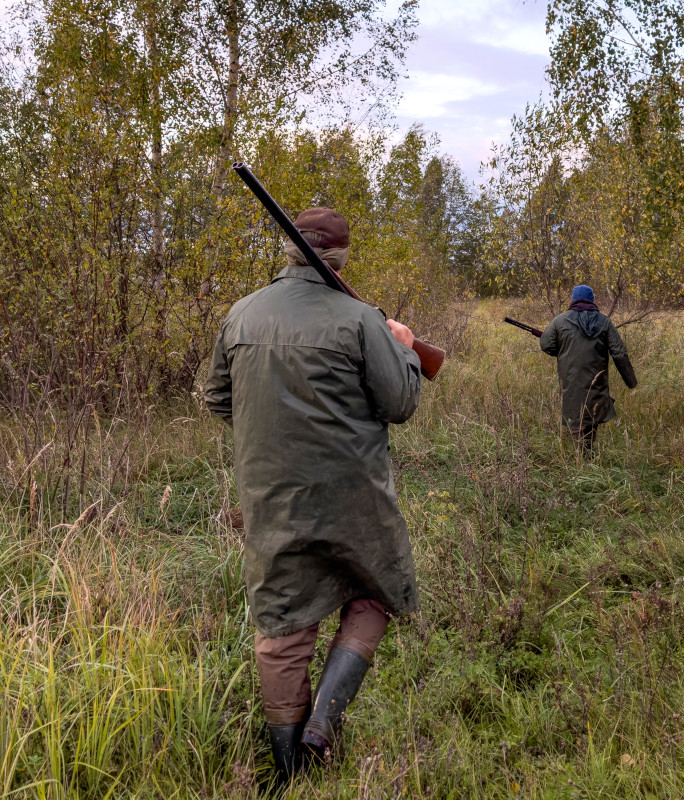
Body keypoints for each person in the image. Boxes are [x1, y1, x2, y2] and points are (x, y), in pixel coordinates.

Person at [202, 207, 422, 788]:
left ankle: (288, 765)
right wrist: (401, 344)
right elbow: (400, 403)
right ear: (343, 257)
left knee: (282, 625)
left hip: (272, 500)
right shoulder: (359, 319)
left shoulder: (240, 315)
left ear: (290, 250)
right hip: (357, 498)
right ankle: (323, 722)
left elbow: (217, 400)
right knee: (373, 593)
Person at [540, 285, 637, 450]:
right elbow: (619, 353)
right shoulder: (604, 321)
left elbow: (546, 345)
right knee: (593, 412)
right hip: (597, 379)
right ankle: (586, 453)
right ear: (592, 300)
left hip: (570, 379)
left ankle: (582, 457)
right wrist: (631, 381)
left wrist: (564, 351)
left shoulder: (559, 321)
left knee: (576, 414)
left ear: (573, 299)